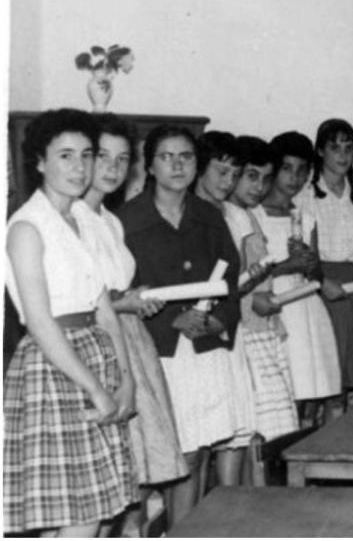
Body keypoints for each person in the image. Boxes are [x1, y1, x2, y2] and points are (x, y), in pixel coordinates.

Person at [4, 108, 136, 536]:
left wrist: (126, 379)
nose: (80, 167)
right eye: (65, 156)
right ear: (40, 162)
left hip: (95, 355)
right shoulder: (27, 227)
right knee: (71, 518)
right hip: (55, 368)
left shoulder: (82, 220)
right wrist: (95, 388)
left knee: (94, 513)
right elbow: (40, 323)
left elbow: (103, 308)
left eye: (86, 155)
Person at [119, 124, 242, 525]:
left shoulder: (209, 216)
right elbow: (119, 293)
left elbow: (231, 282)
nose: (177, 165)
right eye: (166, 157)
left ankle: (184, 530)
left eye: (186, 157)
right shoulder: (126, 220)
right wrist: (174, 318)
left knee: (199, 451)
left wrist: (216, 321)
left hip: (204, 349)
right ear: (150, 166)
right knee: (160, 456)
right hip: (158, 352)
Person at [78, 114, 188, 534]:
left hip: (132, 344)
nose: (112, 168)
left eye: (123, 160)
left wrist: (130, 299)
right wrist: (126, 302)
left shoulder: (110, 219)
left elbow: (112, 288)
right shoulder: (71, 218)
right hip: (101, 343)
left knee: (134, 480)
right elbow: (81, 297)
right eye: (103, 156)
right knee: (104, 486)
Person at [256, 132, 341, 426]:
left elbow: (315, 276)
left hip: (306, 305)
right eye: (287, 169)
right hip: (275, 303)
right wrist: (287, 265)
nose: (294, 177)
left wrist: (310, 263)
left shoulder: (305, 217)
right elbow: (249, 274)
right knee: (283, 388)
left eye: (302, 170)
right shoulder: (254, 214)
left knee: (311, 387)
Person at [190, 130, 258, 489]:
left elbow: (236, 278)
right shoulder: (186, 212)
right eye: (221, 171)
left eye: (234, 174)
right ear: (200, 170)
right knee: (198, 436)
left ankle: (226, 512)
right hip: (195, 331)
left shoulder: (234, 215)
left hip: (229, 327)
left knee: (235, 427)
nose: (228, 182)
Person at [223, 136, 299, 442]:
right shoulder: (228, 215)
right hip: (246, 333)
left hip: (263, 329)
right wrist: (256, 299)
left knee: (275, 426)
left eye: (267, 179)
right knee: (266, 431)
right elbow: (233, 283)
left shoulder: (249, 213)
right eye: (252, 176)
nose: (260, 187)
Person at [301, 119, 353, 409]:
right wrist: (320, 283)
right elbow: (308, 253)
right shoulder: (308, 196)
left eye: (349, 148)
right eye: (334, 148)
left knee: (351, 372)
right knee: (325, 373)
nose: (343, 155)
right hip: (323, 284)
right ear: (320, 151)